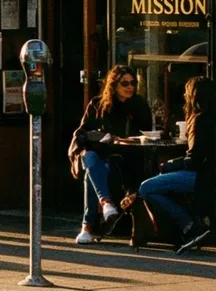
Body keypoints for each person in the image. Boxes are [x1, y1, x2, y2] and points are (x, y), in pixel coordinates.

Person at [71, 64, 152, 244]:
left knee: (91, 173)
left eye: (133, 83)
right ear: (114, 85)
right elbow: (82, 132)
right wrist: (102, 138)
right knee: (90, 158)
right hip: (102, 152)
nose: (130, 87)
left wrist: (126, 139)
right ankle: (105, 204)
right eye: (125, 84)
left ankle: (88, 225)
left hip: (126, 156)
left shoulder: (138, 104)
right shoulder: (98, 104)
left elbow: (146, 132)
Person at [135, 76, 211, 253]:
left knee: (147, 187)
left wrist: (171, 164)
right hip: (207, 174)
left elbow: (194, 160)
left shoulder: (199, 120)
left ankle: (188, 224)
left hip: (203, 176)